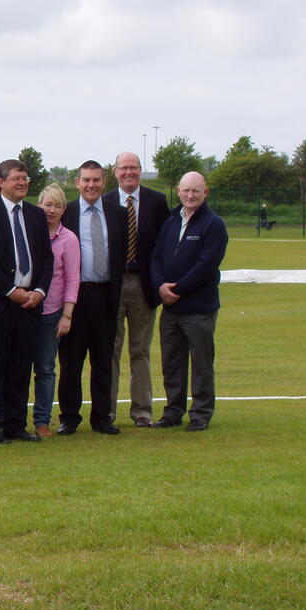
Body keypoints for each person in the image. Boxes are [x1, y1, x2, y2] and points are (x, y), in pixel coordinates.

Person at [0, 159, 53, 444]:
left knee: (20, 368)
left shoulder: (36, 215)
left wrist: (39, 291)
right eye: (17, 178)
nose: (22, 183)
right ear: (1, 182)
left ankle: (15, 425)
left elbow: (46, 258)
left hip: (29, 305)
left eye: (25, 178)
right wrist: (9, 290)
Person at [150, 172, 228, 431]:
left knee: (202, 364)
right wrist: (160, 286)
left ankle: (201, 414)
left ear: (205, 192)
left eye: (196, 190)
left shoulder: (213, 225)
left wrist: (178, 290)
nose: (190, 195)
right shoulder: (171, 221)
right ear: (178, 191)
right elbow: (156, 257)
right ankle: (173, 412)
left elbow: (206, 265)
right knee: (172, 363)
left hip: (199, 309)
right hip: (171, 308)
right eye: (186, 190)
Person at [57, 160, 127, 436]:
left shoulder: (118, 214)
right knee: (71, 363)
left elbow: (122, 254)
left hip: (107, 296)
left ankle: (101, 418)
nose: (91, 185)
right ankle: (69, 418)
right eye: (86, 180)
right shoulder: (67, 213)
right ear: (77, 183)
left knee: (103, 362)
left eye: (96, 180)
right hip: (75, 298)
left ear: (104, 182)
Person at [102, 152, 170, 427]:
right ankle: (106, 412)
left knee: (140, 351)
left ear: (140, 170)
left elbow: (165, 245)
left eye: (134, 167)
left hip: (143, 285)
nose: (129, 172)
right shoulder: (105, 202)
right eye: (124, 168)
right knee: (110, 350)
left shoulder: (157, 201)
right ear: (115, 171)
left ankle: (142, 412)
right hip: (113, 286)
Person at [31, 183, 80, 438]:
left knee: (45, 369)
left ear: (63, 210)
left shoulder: (68, 239)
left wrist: (66, 315)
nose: (51, 210)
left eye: (57, 205)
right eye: (47, 204)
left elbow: (72, 280)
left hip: (51, 315)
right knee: (16, 368)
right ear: (39, 205)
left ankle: (42, 421)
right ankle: (11, 418)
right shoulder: (28, 233)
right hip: (24, 310)